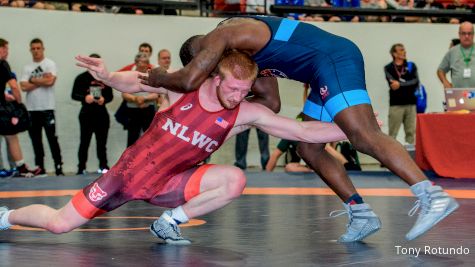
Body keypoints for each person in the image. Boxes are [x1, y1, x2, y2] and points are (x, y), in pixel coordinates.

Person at [141, 16, 459, 241]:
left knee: (363, 135)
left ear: (204, 57)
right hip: (319, 73)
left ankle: (431, 195)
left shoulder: (228, 34)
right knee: (308, 148)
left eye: (208, 71)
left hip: (334, 60)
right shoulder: (242, 56)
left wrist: (159, 79)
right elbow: (270, 102)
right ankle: (361, 214)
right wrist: (226, 112)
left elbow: (186, 80)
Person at [0, 51, 349, 245]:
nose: (237, 97)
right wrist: (107, 77)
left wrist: (350, 129)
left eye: (244, 91)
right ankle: (5, 217)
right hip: (126, 177)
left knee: (234, 180)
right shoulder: (182, 90)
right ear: (216, 78)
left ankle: (169, 222)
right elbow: (138, 81)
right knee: (60, 224)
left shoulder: (246, 111)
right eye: (232, 89)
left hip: (172, 184)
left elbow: (301, 131)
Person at [19, 38, 64, 176]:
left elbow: (50, 81)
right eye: (33, 48)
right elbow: (22, 86)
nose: (36, 51)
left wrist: (32, 80)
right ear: (30, 50)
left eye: (38, 48)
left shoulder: (50, 64)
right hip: (32, 109)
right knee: (36, 140)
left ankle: (58, 167)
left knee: (52, 139)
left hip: (47, 108)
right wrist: (41, 81)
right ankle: (41, 168)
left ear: (43, 49)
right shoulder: (27, 67)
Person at [0, 38, 41, 178]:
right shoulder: (3, 64)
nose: (7, 52)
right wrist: (18, 103)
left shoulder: (3, 64)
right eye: (4, 49)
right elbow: (13, 86)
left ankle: (20, 166)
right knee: (11, 136)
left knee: (10, 135)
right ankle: (21, 167)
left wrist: (4, 97)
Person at [71, 53, 113, 175]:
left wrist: (104, 99)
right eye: (91, 63)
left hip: (101, 115)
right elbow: (74, 95)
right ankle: (81, 167)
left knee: (102, 143)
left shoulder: (105, 79)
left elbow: (110, 96)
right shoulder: (81, 78)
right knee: (84, 142)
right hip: (86, 114)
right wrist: (85, 98)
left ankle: (103, 166)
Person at [384, 43, 419, 145]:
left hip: (411, 104)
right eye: (401, 50)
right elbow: (392, 84)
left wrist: (400, 84)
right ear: (394, 53)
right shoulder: (388, 68)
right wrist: (405, 83)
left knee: (411, 133)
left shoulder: (411, 66)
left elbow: (415, 82)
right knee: (392, 134)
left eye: (404, 49)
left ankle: (411, 158)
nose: (404, 51)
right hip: (396, 105)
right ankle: (391, 158)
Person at [122, 53, 159, 147]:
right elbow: (124, 94)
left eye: (145, 62)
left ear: (148, 64)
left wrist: (144, 99)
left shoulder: (152, 76)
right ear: (135, 63)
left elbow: (157, 94)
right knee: (132, 138)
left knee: (149, 138)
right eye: (140, 62)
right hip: (133, 111)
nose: (142, 64)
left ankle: (148, 160)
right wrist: (135, 99)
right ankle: (129, 161)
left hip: (148, 110)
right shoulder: (128, 76)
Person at [437, 22, 475, 89]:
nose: (467, 36)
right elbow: (440, 70)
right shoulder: (452, 52)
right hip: (457, 95)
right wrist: (445, 82)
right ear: (459, 34)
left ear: (473, 35)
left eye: (469, 33)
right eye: (463, 33)